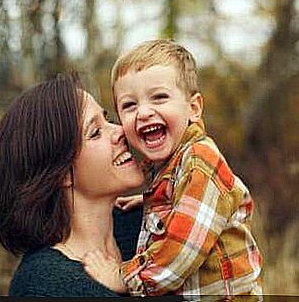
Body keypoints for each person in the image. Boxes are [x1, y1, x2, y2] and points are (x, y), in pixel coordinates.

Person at [82, 39, 263, 298]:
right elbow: (180, 205)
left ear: (193, 108)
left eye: (159, 97)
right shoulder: (171, 168)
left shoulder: (201, 163)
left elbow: (181, 253)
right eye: (130, 105)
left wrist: (123, 277)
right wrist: (150, 201)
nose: (144, 112)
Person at [0, 73, 145, 297]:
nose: (120, 130)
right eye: (95, 132)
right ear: (61, 173)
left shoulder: (151, 225)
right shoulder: (43, 285)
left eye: (107, 118)